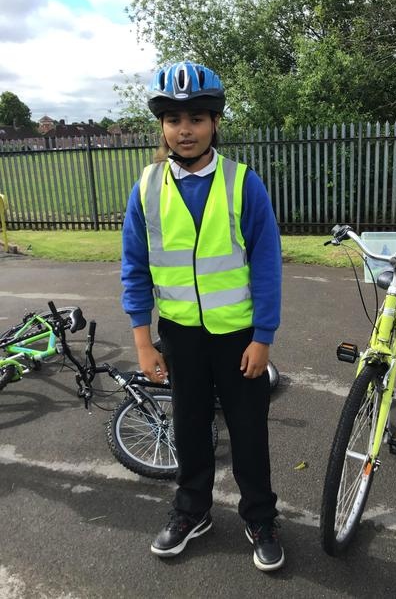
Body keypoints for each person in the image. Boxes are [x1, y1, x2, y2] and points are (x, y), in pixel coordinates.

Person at [121, 61, 284, 572]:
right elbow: (134, 268)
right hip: (180, 337)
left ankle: (260, 518)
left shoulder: (243, 183)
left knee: (248, 432)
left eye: (196, 118)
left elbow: (266, 265)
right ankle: (192, 510)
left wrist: (263, 336)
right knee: (189, 429)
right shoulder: (147, 187)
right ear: (162, 126)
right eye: (173, 119)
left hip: (238, 337)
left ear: (215, 122)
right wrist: (143, 341)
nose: (184, 129)